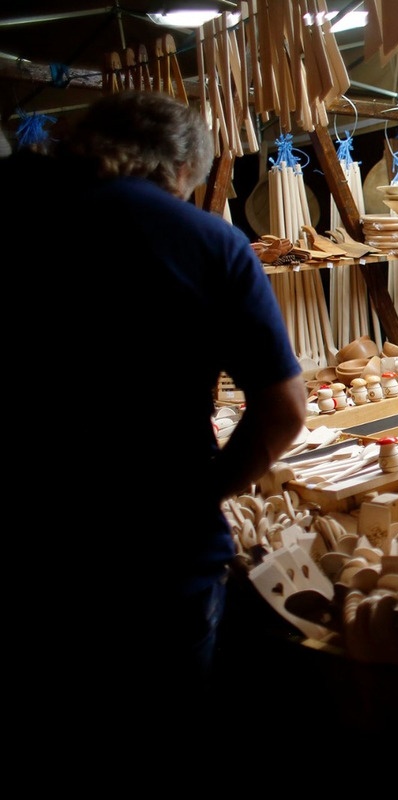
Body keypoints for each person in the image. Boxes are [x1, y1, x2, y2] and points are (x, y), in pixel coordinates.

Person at [4, 91, 307, 761]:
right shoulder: (205, 239)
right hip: (157, 552)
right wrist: (204, 493)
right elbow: (284, 411)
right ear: (179, 169)